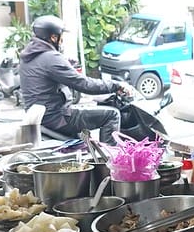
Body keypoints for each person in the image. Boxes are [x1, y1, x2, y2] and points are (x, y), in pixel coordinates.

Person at [19, 15, 123, 145]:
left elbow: (45, 72)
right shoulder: (51, 58)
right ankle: (109, 160)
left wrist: (67, 64)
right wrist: (116, 85)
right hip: (57, 118)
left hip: (42, 116)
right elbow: (85, 85)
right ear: (53, 37)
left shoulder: (28, 55)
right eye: (61, 37)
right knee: (112, 115)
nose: (62, 41)